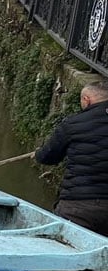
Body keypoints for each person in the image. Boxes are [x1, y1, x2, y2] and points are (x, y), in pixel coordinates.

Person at [35, 80, 108, 235]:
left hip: (78, 206)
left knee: (60, 240)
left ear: (87, 100)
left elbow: (48, 157)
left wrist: (37, 153)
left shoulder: (72, 124)